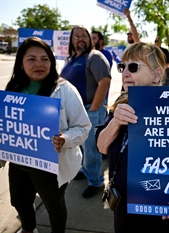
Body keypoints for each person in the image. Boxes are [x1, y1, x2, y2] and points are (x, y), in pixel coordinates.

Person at [0, 36, 91, 233]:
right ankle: (29, 229)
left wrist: (65, 139)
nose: (39, 64)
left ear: (52, 62)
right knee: (19, 201)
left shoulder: (65, 90)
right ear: (21, 63)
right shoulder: (14, 87)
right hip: (18, 162)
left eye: (45, 59)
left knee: (54, 206)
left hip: (50, 165)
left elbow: (83, 127)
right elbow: (3, 118)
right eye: (31, 59)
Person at [95, 42, 169, 233]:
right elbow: (101, 146)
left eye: (134, 67)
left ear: (156, 75)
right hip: (123, 208)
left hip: (157, 212)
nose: (125, 73)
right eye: (122, 67)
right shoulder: (121, 102)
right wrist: (115, 122)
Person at [60, 26, 111, 198]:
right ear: (71, 40)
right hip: (73, 112)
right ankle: (85, 170)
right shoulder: (72, 58)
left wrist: (94, 108)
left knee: (91, 149)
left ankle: (96, 181)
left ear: (89, 39)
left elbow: (104, 82)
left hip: (90, 110)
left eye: (84, 36)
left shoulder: (94, 57)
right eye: (77, 36)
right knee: (81, 146)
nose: (80, 38)